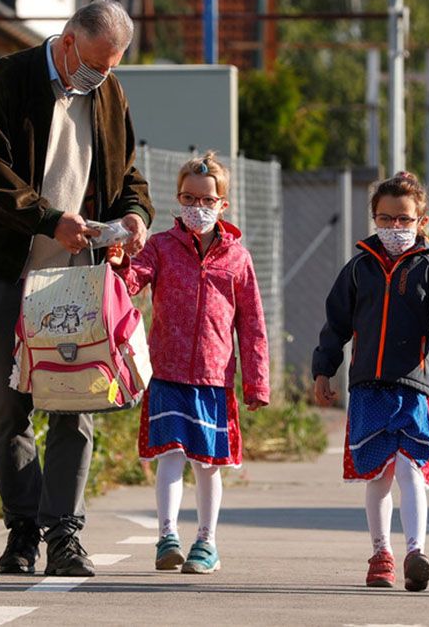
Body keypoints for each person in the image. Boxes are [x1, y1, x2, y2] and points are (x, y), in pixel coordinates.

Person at [0, 0, 154, 578]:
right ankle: (22, 536)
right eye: (96, 64)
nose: (104, 76)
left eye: (113, 66)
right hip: (4, 271)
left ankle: (65, 537)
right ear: (68, 41)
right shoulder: (6, 80)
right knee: (7, 409)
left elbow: (129, 175)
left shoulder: (108, 93)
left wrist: (137, 213)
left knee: (76, 406)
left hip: (76, 278)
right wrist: (48, 220)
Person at [312, 173, 429, 591]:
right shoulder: (357, 270)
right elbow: (335, 326)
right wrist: (323, 370)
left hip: (412, 388)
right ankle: (380, 552)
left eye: (403, 219)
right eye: (385, 219)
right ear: (374, 219)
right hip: (367, 387)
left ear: (421, 221)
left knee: (411, 470)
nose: (394, 227)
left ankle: (415, 552)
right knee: (378, 476)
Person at [107, 152, 270, 574]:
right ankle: (167, 537)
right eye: (188, 198)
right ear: (177, 199)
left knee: (207, 465)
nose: (196, 208)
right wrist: (120, 263)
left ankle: (206, 541)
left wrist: (257, 383)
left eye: (206, 200)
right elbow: (132, 281)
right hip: (168, 372)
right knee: (171, 456)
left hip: (214, 379)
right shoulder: (161, 247)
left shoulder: (239, 259)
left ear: (222, 204)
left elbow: (252, 326)